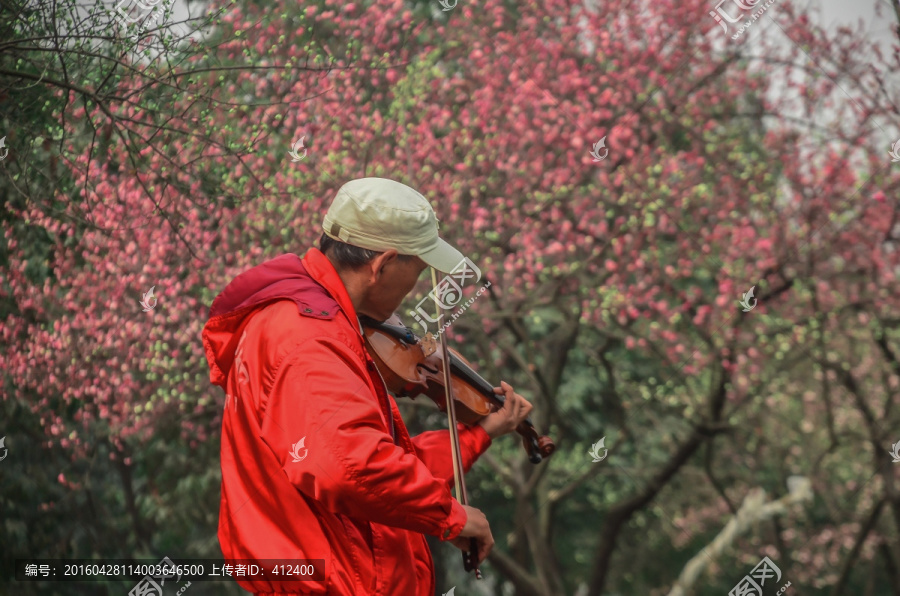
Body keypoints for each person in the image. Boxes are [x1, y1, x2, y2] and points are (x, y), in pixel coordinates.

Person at [201, 177, 534, 595]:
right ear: (382, 265)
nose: (416, 287)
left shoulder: (321, 321)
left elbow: (382, 466)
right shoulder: (309, 338)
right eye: (418, 270)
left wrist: (478, 434)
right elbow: (351, 467)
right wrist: (450, 515)